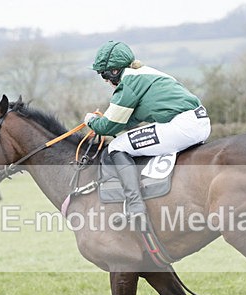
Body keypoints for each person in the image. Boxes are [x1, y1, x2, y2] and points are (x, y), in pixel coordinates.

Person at [83, 41, 211, 231]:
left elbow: (108, 127)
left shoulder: (129, 83)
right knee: (125, 141)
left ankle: (135, 206)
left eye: (104, 73)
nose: (104, 80)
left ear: (115, 71)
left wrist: (91, 120)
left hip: (182, 127)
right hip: (198, 122)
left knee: (116, 147)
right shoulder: (144, 73)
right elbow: (128, 121)